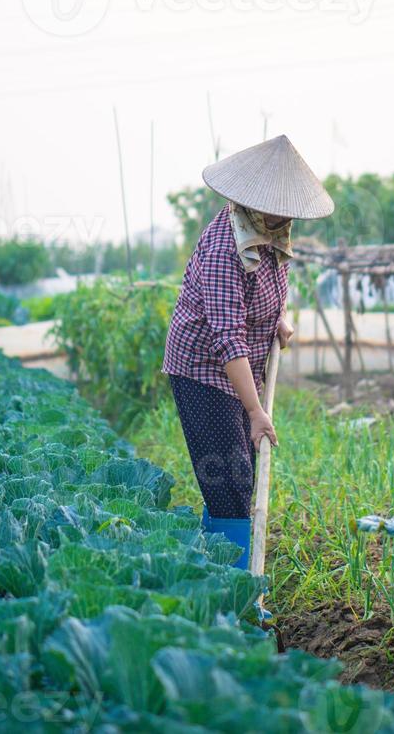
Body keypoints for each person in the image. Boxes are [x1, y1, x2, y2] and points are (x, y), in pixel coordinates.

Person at [162, 134, 334, 569]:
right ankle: (235, 592)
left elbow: (260, 293)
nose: (286, 214)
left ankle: (219, 568)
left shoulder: (271, 231)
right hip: (204, 370)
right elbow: (228, 338)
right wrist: (257, 412)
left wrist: (274, 317)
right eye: (279, 205)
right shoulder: (227, 247)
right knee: (230, 482)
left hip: (241, 365)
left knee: (240, 474)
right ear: (254, 200)